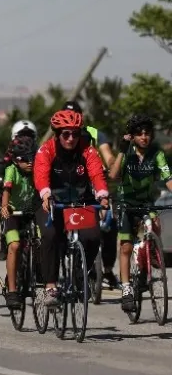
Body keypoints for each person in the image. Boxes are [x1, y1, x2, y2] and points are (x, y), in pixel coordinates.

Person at [33, 110, 109, 306]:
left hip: (80, 201)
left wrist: (102, 195)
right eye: (66, 134)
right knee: (50, 235)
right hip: (51, 202)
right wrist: (46, 194)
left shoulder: (88, 150)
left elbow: (97, 174)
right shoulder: (46, 150)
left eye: (75, 134)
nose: (71, 138)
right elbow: (41, 175)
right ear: (57, 134)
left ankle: (79, 272)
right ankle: (50, 286)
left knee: (92, 237)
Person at [108, 115, 172, 311]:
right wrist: (121, 150)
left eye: (147, 133)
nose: (144, 137)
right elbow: (113, 175)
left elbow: (167, 177)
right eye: (139, 134)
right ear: (132, 136)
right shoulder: (127, 152)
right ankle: (127, 288)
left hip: (145, 201)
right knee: (126, 247)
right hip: (126, 202)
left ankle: (150, 257)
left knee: (156, 225)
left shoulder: (156, 153)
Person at [62, 100, 119, 288]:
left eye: (75, 116)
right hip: (73, 187)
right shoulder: (61, 137)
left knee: (109, 225)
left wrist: (112, 164)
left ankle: (108, 270)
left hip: (96, 184)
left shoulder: (95, 134)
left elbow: (107, 155)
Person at [0, 136, 38, 308]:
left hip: (32, 212)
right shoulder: (11, 170)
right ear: (15, 160)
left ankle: (37, 276)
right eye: (25, 159)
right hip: (14, 213)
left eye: (33, 158)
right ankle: (12, 290)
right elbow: (6, 190)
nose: (30, 163)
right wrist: (5, 206)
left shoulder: (37, 170)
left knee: (41, 241)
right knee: (14, 246)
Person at [0, 120, 39, 261]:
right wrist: (5, 205)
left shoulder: (37, 154)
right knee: (13, 241)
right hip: (13, 199)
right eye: (22, 135)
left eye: (29, 135)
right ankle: (4, 240)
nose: (25, 139)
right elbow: (6, 186)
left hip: (32, 202)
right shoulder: (11, 158)